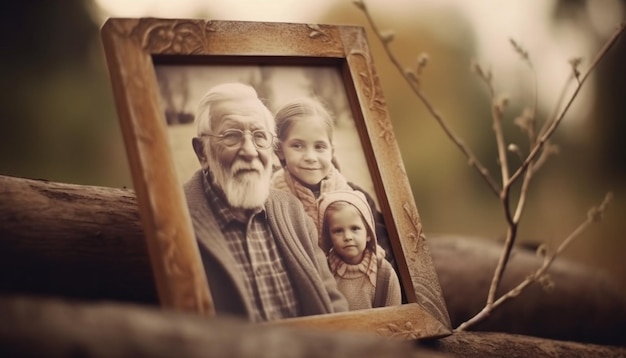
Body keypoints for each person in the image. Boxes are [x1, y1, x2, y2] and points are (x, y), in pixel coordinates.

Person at [184, 82, 348, 322]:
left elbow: (332, 302)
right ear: (202, 152)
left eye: (260, 137)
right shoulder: (177, 218)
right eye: (231, 136)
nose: (250, 151)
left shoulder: (292, 211)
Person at [270, 96, 396, 271]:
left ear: (332, 150)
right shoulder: (270, 203)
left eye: (319, 147)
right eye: (297, 146)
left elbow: (388, 253)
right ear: (280, 150)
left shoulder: (356, 199)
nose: (311, 157)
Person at [317, 190, 402, 311]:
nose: (347, 237)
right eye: (338, 231)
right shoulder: (323, 272)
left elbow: (396, 319)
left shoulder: (384, 274)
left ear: (368, 233)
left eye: (355, 228)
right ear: (329, 236)